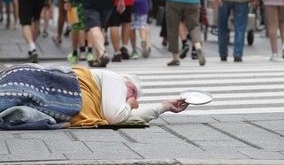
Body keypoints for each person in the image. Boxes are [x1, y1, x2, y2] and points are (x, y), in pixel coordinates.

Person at [0, 63, 189, 129]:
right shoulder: (115, 79)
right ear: (129, 86)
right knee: (20, 88)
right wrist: (130, 103)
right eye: (133, 93)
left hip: (56, 99)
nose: (130, 97)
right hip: (57, 85)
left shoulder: (104, 102)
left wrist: (164, 106)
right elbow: (117, 116)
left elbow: (125, 118)